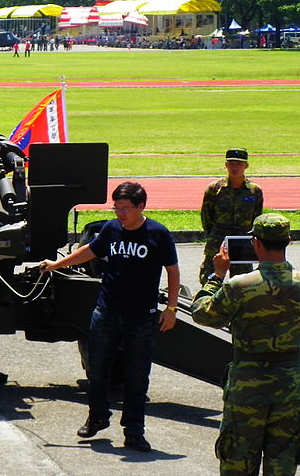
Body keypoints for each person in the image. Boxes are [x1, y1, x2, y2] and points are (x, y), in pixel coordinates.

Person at [39, 181, 180, 452]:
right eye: (117, 207)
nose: (120, 213)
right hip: (106, 313)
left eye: (126, 208)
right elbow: (90, 250)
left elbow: (172, 272)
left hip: (141, 317)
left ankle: (134, 431)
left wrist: (171, 309)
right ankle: (97, 417)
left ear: (141, 207)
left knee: (137, 377)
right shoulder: (111, 228)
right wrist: (57, 264)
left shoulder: (158, 234)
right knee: (98, 370)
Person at [191, 213, 300, 475]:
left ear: (256, 243)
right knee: (284, 460)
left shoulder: (240, 285)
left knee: (238, 458)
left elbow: (202, 313)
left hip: (247, 383)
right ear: (289, 241)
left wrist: (216, 276)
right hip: (291, 383)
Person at [199, 148, 264, 284]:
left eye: (239, 164)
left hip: (242, 240)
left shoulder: (254, 191)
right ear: (226, 165)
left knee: (243, 283)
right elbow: (206, 215)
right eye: (231, 163)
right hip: (217, 240)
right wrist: (213, 236)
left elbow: (256, 217)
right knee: (209, 280)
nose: (235, 167)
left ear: (246, 166)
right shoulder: (214, 189)